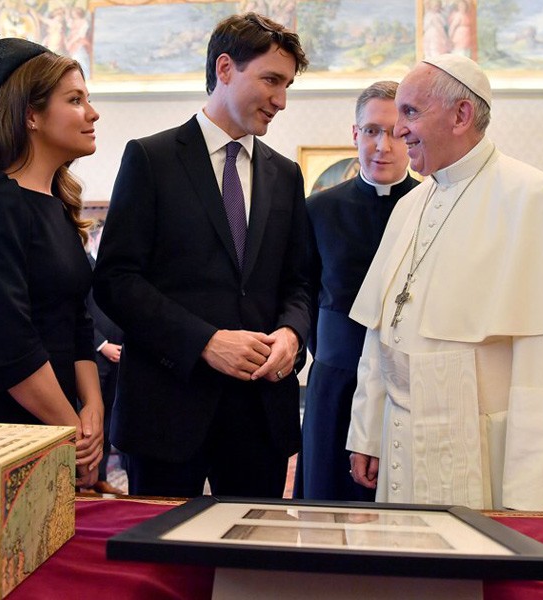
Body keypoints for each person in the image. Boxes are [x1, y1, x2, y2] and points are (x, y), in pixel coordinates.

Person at [346, 54, 543, 511]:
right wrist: (367, 430)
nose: (398, 129)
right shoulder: (409, 206)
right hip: (404, 442)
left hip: (489, 458)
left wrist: (538, 503)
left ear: (461, 115)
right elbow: (382, 331)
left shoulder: (536, 198)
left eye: (411, 112)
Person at [93, 13, 310, 498]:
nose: (281, 100)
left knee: (254, 566)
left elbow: (300, 281)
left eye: (287, 85)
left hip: (260, 415)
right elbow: (115, 280)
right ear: (226, 68)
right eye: (272, 80)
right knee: (162, 567)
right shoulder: (150, 158)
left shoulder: (287, 175)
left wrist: (293, 335)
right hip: (167, 409)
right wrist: (205, 342)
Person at [0, 38, 104, 488]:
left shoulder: (58, 204)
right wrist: (69, 430)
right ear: (31, 114)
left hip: (54, 422)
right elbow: (7, 341)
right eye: (75, 100)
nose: (93, 113)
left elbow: (77, 321)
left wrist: (92, 409)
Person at [295, 81, 418, 501]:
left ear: (410, 135)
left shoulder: (430, 206)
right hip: (335, 376)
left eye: (395, 132)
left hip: (408, 382)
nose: (381, 146)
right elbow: (303, 295)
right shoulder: (318, 209)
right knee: (326, 503)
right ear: (354, 134)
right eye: (370, 131)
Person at [85, 221, 125, 494]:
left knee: (110, 419)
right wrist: (102, 345)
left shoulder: (120, 270)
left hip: (121, 356)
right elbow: (81, 314)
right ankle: (87, 477)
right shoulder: (84, 266)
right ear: (96, 237)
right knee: (92, 419)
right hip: (93, 358)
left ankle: (101, 476)